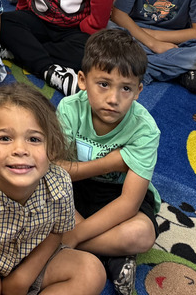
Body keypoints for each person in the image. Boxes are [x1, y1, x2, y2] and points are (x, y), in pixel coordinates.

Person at [0, 85, 106, 295]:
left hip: (30, 259)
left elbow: (57, 231)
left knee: (91, 271)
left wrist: (23, 277)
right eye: (5, 138)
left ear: (52, 149)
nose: (20, 150)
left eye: (34, 139)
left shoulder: (59, 184)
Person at [57, 29, 160, 295]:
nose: (113, 99)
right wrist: (111, 163)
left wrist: (75, 236)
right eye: (103, 84)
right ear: (82, 80)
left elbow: (128, 203)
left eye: (125, 88)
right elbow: (55, 171)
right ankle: (113, 255)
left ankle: (64, 243)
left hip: (116, 192)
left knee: (142, 235)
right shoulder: (69, 109)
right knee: (35, 194)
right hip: (73, 188)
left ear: (138, 91)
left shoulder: (145, 129)